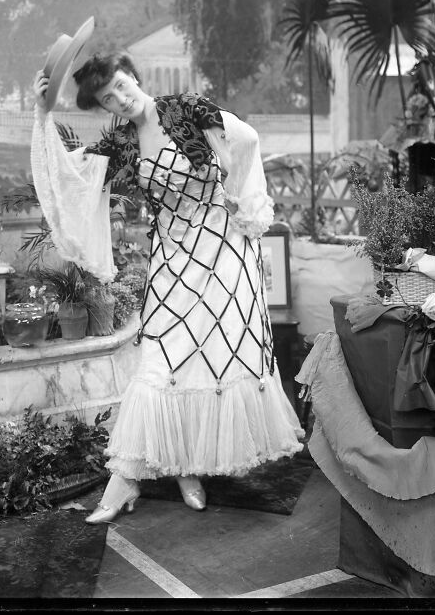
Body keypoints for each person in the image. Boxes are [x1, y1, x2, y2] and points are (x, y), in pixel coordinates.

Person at [31, 52, 304, 525]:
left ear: (134, 77)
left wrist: (238, 200)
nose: (120, 99)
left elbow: (247, 139)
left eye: (121, 85)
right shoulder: (121, 140)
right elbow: (70, 177)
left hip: (224, 253)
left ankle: (187, 469)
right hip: (173, 261)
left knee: (214, 359)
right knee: (163, 361)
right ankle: (126, 481)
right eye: (108, 98)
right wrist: (43, 113)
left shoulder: (185, 109)